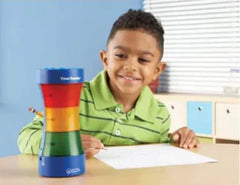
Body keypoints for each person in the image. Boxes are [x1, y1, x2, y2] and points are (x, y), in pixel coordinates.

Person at [18, 9, 199, 158]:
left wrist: (179, 141)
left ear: (157, 71)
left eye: (143, 60)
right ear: (105, 59)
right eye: (120, 56)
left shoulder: (159, 116)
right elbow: (26, 136)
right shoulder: (73, 98)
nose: (130, 66)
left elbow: (158, 153)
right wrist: (66, 144)